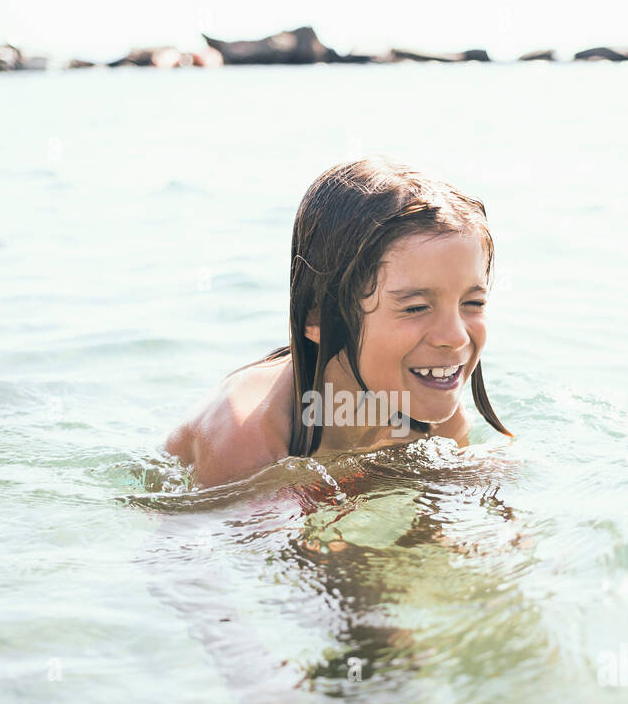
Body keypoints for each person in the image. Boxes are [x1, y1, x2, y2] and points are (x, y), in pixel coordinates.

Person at [163, 156, 512, 488]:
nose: (454, 337)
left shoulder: (431, 404)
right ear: (318, 317)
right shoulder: (248, 436)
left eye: (473, 302)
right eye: (416, 308)